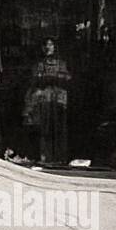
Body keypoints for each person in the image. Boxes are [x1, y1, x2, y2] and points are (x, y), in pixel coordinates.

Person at [23, 37, 73, 166]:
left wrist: (51, 79)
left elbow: (67, 78)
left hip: (58, 101)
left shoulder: (61, 63)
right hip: (44, 100)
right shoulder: (39, 64)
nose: (48, 47)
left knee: (59, 129)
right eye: (46, 45)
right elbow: (36, 80)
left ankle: (59, 157)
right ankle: (45, 156)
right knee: (45, 129)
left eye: (51, 44)